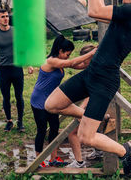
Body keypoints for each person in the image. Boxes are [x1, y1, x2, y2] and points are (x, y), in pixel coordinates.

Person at [45, 0, 131, 175]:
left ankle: (125, 150)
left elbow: (93, 9)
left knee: (86, 138)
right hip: (92, 73)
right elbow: (96, 12)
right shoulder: (125, 12)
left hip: (105, 80)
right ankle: (91, 116)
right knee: (51, 104)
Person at [30, 37, 96, 168]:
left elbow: (80, 65)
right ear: (60, 51)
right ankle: (38, 159)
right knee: (42, 130)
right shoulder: (52, 61)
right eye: (67, 54)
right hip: (39, 101)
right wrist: (91, 53)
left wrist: (93, 61)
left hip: (52, 101)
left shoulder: (60, 61)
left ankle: (53, 158)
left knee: (54, 129)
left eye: (69, 55)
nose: (68, 57)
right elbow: (72, 63)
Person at [0, 9, 33, 132]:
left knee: (19, 96)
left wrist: (29, 64)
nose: (6, 18)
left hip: (17, 68)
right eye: (3, 16)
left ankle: (20, 122)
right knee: (6, 97)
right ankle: (9, 121)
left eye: (7, 16)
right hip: (4, 70)